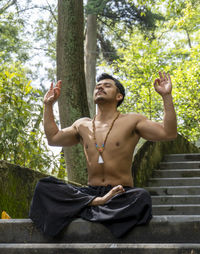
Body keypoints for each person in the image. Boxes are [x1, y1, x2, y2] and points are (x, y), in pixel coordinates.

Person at [29, 72, 177, 238]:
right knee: (44, 186)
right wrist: (48, 105)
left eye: (107, 85)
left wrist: (166, 96)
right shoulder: (82, 124)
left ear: (119, 96)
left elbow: (168, 133)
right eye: (98, 86)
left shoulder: (132, 120)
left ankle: (86, 208)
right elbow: (53, 138)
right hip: (90, 194)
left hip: (120, 195)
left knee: (142, 197)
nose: (100, 87)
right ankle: (95, 203)